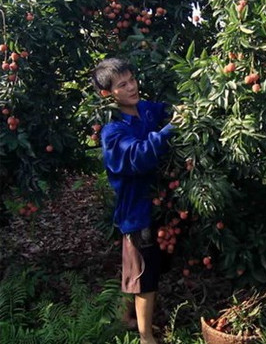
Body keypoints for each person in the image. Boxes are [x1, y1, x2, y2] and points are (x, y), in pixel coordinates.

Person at [91, 58, 174, 344]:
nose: (131, 87)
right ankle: (145, 336)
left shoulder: (146, 110)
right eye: (122, 84)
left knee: (145, 264)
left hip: (158, 203)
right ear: (108, 94)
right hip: (136, 210)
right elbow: (138, 156)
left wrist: (183, 112)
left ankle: (128, 317)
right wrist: (168, 132)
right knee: (144, 273)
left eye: (132, 79)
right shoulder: (112, 132)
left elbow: (164, 110)